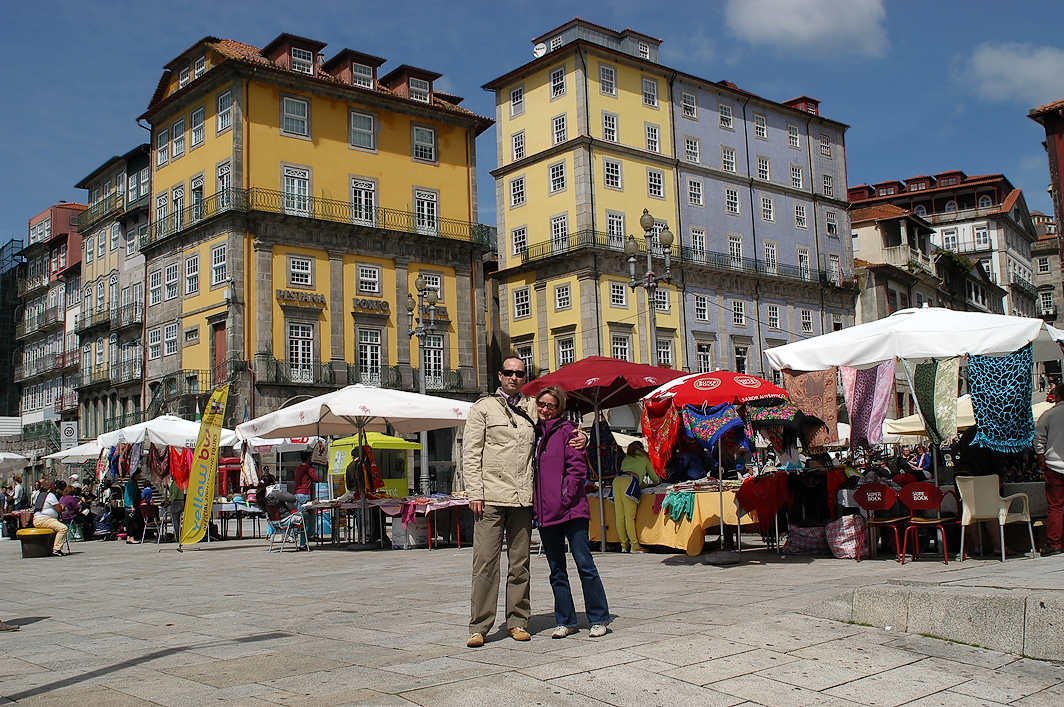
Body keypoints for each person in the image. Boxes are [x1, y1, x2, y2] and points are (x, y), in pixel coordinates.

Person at [463, 356, 586, 648]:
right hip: (491, 496)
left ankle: (518, 621)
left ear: (524, 378)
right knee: (485, 563)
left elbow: (558, 428)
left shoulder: (533, 406)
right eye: (509, 372)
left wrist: (582, 437)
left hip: (522, 498)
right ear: (499, 375)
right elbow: (471, 452)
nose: (514, 377)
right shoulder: (483, 408)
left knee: (520, 564)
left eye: (519, 373)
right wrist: (474, 492)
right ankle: (479, 626)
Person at [533, 386, 610, 639]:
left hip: (571, 510)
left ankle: (599, 618)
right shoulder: (534, 433)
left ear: (559, 409)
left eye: (550, 405)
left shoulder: (568, 432)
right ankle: (565, 620)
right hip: (545, 512)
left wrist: (564, 497)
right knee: (556, 570)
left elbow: (577, 470)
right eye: (541, 404)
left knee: (585, 564)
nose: (545, 409)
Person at [1034, 382, 1064, 557]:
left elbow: (1039, 439)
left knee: (1055, 507)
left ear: (1058, 396)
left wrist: (1041, 457)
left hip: (1054, 467)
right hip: (1055, 465)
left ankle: (1054, 544)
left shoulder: (1049, 414)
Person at [614, 441, 654, 553]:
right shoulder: (644, 457)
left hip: (617, 481)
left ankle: (624, 545)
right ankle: (634, 545)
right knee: (629, 517)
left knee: (619, 516)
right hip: (629, 481)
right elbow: (653, 477)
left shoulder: (626, 459)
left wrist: (642, 484)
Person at [31, 477, 69, 556]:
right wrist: (62, 507)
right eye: (54, 485)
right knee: (63, 528)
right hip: (44, 519)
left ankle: (52, 547)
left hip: (38, 519)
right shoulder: (50, 495)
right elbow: (58, 509)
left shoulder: (41, 494)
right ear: (51, 486)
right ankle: (57, 549)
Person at [294, 450, 320, 535]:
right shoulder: (308, 468)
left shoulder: (298, 468)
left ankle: (307, 534)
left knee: (299, 514)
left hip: (297, 493)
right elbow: (315, 478)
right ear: (308, 459)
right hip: (304, 493)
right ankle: (293, 535)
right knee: (301, 516)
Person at [123, 469, 145, 544]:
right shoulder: (131, 484)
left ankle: (129, 537)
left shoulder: (132, 483)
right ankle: (131, 537)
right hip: (130, 505)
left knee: (130, 521)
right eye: (139, 474)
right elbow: (130, 495)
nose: (140, 476)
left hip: (130, 505)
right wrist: (131, 506)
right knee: (131, 522)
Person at [162, 473, 185, 539]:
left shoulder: (176, 483)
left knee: (175, 519)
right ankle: (178, 533)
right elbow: (173, 491)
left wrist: (169, 502)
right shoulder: (178, 483)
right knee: (177, 519)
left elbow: (174, 494)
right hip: (180, 501)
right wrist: (168, 488)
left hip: (176, 502)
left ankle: (177, 534)